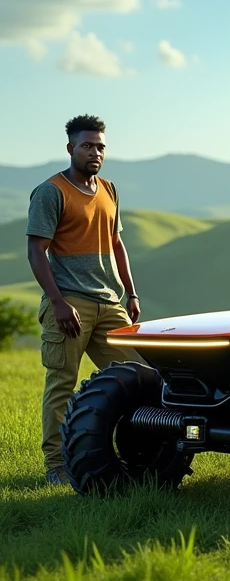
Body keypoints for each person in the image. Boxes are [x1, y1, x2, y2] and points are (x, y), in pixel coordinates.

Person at [27, 114, 142, 485]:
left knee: (140, 377)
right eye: (88, 145)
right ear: (71, 148)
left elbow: (117, 242)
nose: (95, 152)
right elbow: (36, 250)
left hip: (110, 304)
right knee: (62, 383)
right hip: (70, 304)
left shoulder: (109, 189)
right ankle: (57, 466)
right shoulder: (51, 192)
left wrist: (131, 291)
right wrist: (58, 303)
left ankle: (141, 453)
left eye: (101, 147)